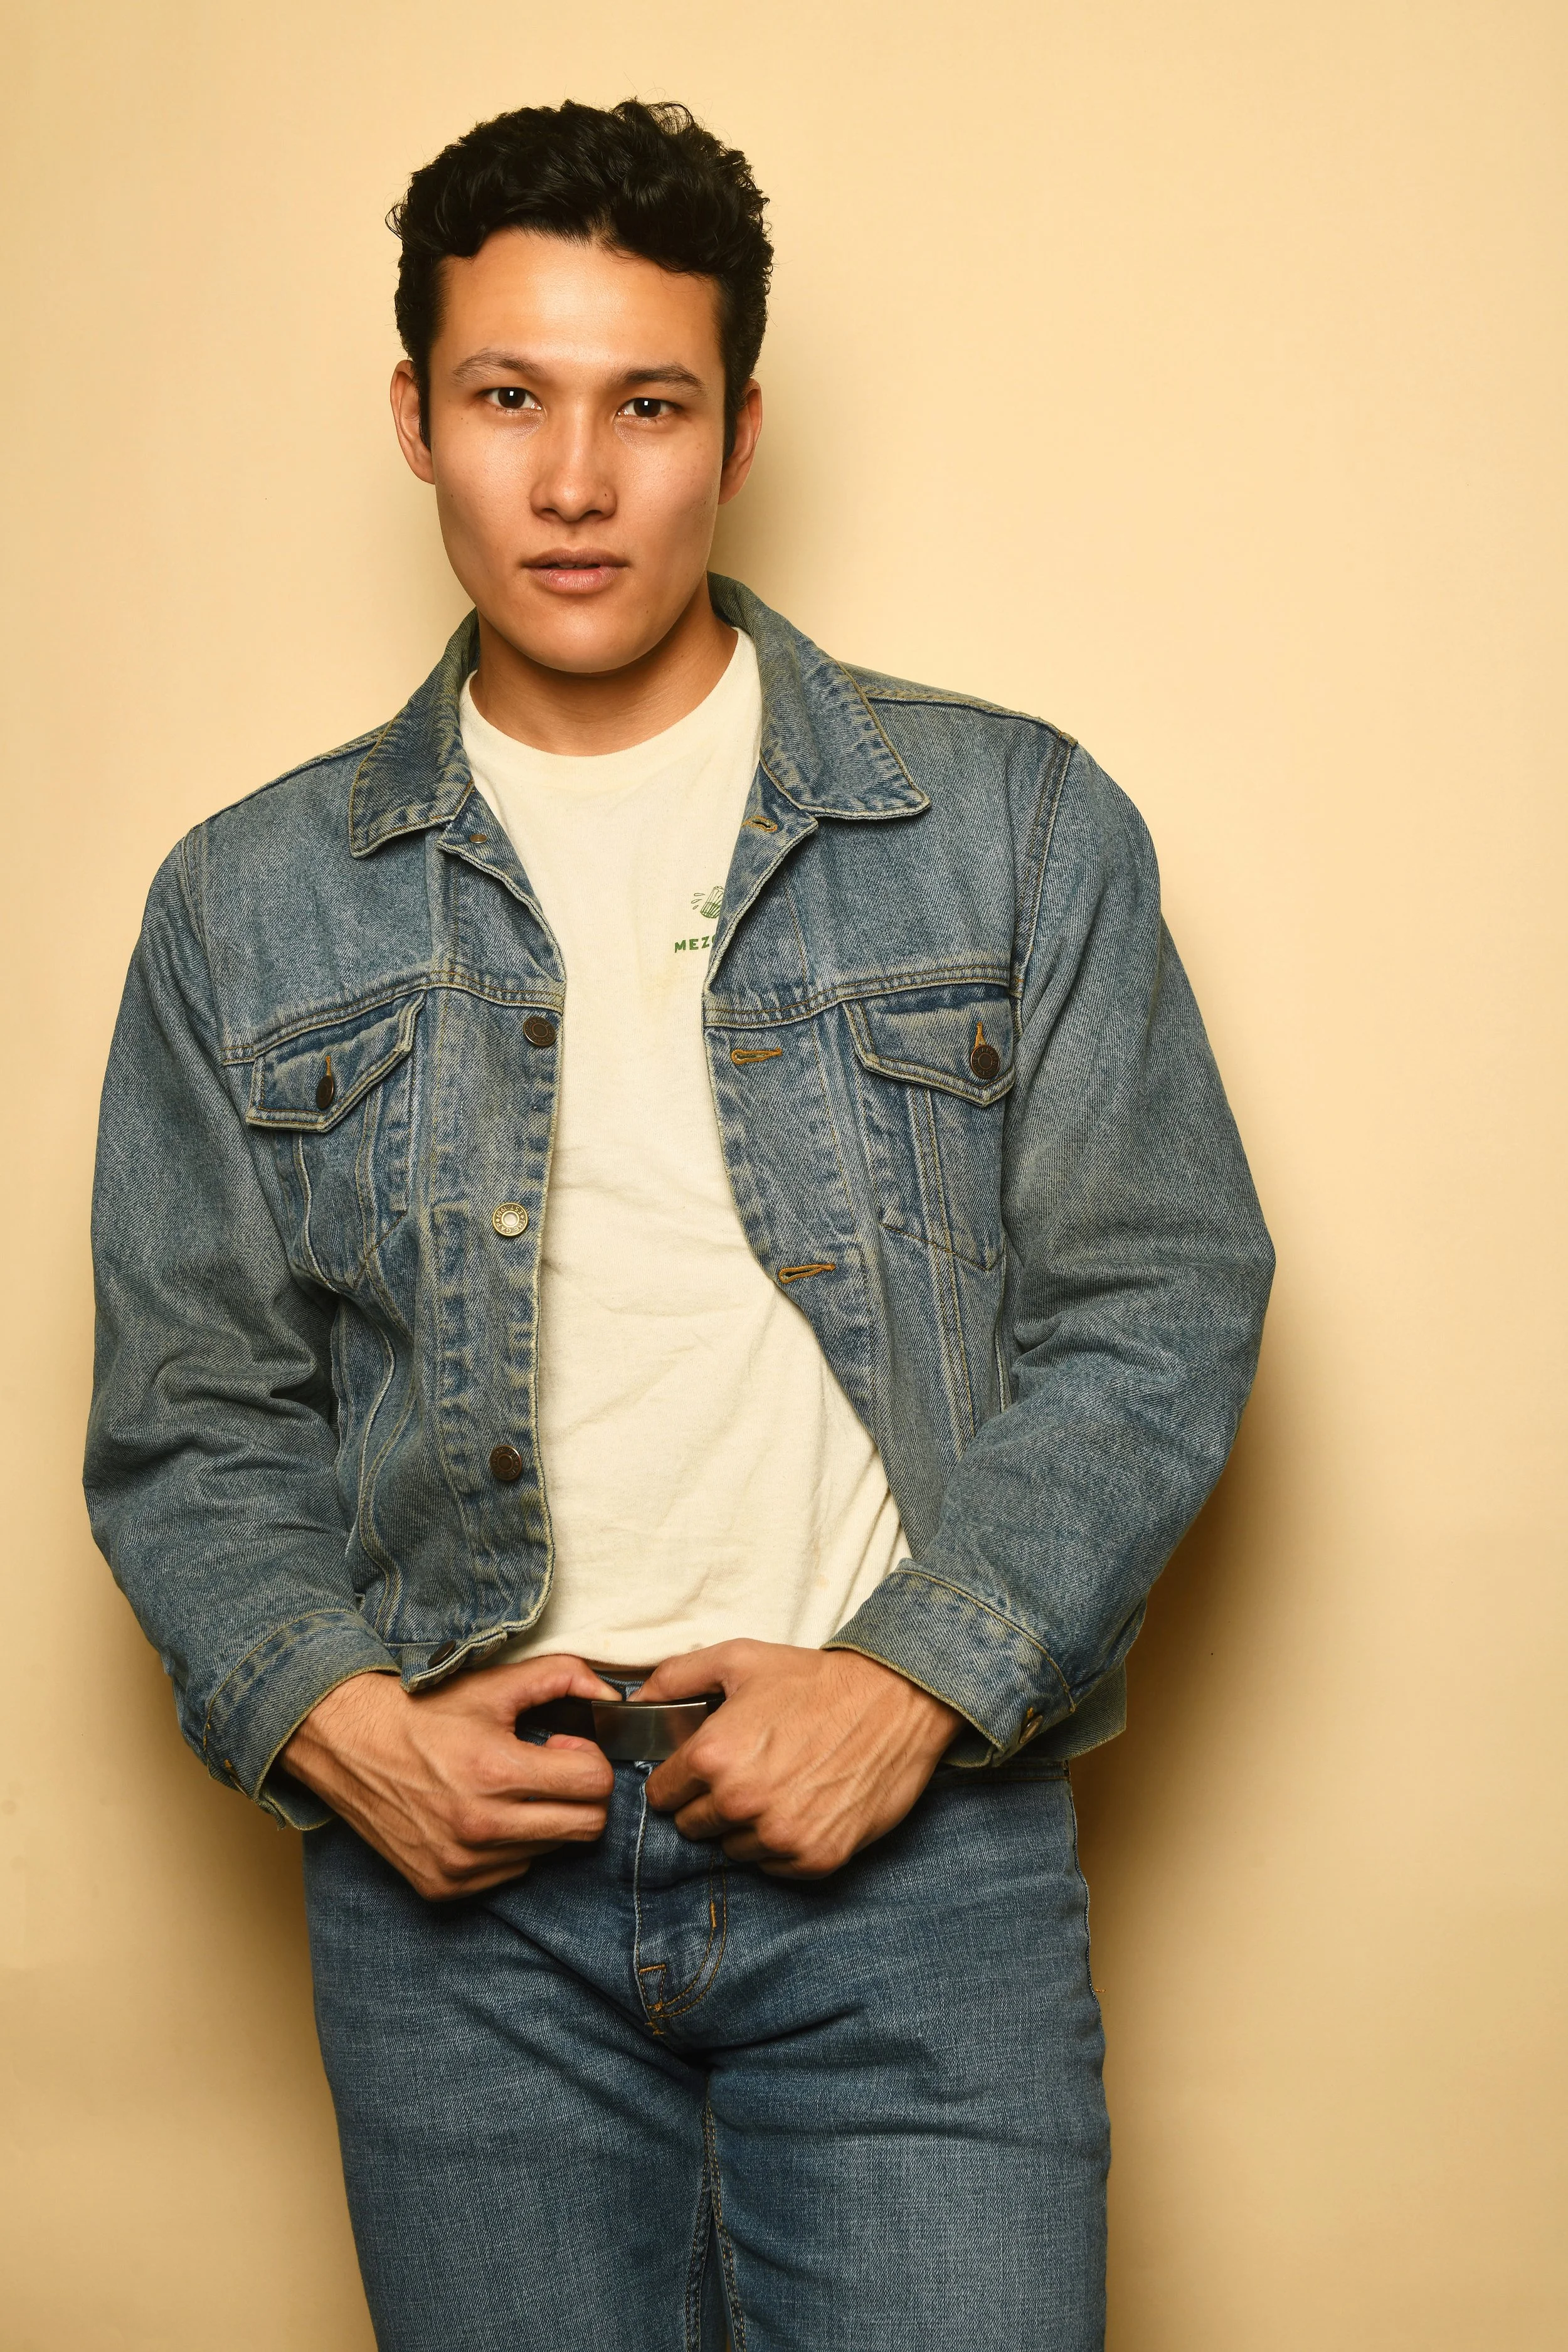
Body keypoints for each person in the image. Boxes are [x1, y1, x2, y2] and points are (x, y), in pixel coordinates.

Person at [85, 96, 1273, 2352]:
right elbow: (190, 1407)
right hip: (463, 1895)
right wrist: (334, 1716)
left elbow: (1158, 1288)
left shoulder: (1007, 823)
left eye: (642, 405)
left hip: (914, 1857)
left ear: (736, 428)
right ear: (414, 417)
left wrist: (923, 1675)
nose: (569, 478)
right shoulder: (242, 905)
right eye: (506, 396)